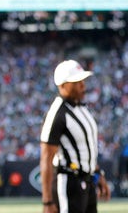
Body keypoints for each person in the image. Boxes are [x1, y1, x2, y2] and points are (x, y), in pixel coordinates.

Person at [40, 59, 111, 213]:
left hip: (87, 181)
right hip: (69, 184)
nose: (82, 85)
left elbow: (86, 147)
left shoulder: (81, 108)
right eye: (76, 82)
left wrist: (98, 174)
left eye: (82, 80)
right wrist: (47, 201)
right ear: (63, 85)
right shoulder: (57, 114)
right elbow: (46, 158)